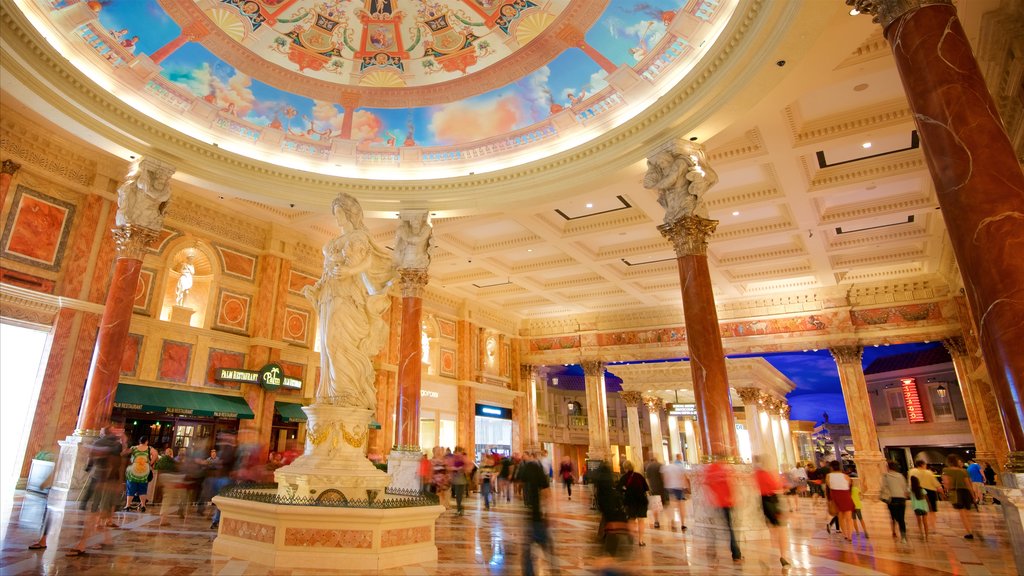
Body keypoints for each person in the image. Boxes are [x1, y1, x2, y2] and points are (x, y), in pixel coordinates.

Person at [302, 192, 394, 410]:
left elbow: (367, 263)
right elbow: (326, 272)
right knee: (326, 344)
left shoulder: (358, 238)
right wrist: (316, 290)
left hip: (346, 295)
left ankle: (348, 392)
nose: (338, 217)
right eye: (335, 213)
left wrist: (349, 270)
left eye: (341, 212)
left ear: (351, 214)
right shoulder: (334, 241)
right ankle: (332, 392)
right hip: (329, 293)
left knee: (336, 342)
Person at [67, 427, 123, 556]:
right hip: (104, 481)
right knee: (99, 513)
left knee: (95, 513)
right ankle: (104, 540)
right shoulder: (114, 446)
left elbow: (105, 461)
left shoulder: (107, 446)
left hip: (104, 482)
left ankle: (83, 544)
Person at [519, 450, 557, 576]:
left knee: (528, 550)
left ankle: (530, 573)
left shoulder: (527, 468)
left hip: (532, 516)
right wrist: (549, 512)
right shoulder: (535, 468)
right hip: (536, 516)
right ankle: (554, 570)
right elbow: (546, 491)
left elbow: (518, 484)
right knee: (546, 547)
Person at [754, 457, 791, 567]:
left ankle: (764, 557)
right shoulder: (768, 474)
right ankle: (783, 556)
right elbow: (777, 487)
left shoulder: (757, 474)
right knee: (782, 530)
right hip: (773, 501)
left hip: (763, 502)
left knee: (772, 530)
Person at [704, 460, 741, 562]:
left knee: (713, 527)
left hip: (715, 502)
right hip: (725, 502)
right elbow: (730, 485)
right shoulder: (723, 470)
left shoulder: (711, 470)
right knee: (730, 528)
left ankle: (712, 550)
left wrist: (710, 498)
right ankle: (736, 554)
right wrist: (733, 498)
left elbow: (707, 484)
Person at [943, 454, 977, 539]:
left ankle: (969, 532)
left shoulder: (946, 470)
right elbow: (969, 484)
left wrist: (948, 490)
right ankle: (971, 529)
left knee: (962, 514)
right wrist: (973, 495)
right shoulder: (964, 471)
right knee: (968, 513)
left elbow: (947, 484)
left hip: (956, 492)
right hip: (966, 493)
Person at [617, 460, 650, 547]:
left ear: (625, 468)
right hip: (641, 501)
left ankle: (631, 538)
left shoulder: (623, 478)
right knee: (641, 520)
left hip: (630, 501)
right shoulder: (639, 476)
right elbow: (646, 488)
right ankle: (641, 540)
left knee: (631, 519)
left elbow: (619, 490)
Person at [123, 436, 157, 513]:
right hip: (144, 470)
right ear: (147, 441)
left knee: (130, 487)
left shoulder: (134, 448)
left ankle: (128, 505)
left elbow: (124, 453)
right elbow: (155, 454)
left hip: (133, 469)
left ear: (139, 441)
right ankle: (143, 505)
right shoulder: (149, 448)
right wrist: (150, 463)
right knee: (143, 488)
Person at [880, 460, 910, 544]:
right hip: (901, 499)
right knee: (901, 518)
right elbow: (905, 488)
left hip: (892, 499)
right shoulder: (900, 476)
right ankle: (903, 536)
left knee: (894, 517)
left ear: (888, 467)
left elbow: (883, 488)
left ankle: (895, 531)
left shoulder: (885, 476)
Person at [824, 460, 854, 541]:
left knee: (841, 516)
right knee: (849, 517)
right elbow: (849, 486)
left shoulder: (828, 476)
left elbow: (829, 487)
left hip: (836, 496)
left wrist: (829, 500)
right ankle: (850, 535)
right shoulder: (846, 476)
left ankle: (845, 534)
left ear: (831, 467)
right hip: (846, 496)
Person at [908, 459, 942, 530]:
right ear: (922, 465)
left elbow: (910, 482)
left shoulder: (912, 471)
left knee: (919, 509)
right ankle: (932, 526)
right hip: (930, 492)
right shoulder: (928, 472)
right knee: (932, 510)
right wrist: (940, 489)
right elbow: (935, 483)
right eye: (925, 464)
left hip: (917, 492)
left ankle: (921, 527)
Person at [661, 453, 688, 532]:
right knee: (681, 506)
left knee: (672, 505)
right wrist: (686, 487)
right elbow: (684, 476)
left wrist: (666, 485)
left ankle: (672, 521)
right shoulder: (680, 466)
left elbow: (664, 478)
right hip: (678, 487)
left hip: (670, 487)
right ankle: (682, 524)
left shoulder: (667, 467)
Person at [644, 457, 668, 529]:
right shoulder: (660, 465)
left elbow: (647, 478)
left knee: (655, 505)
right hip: (660, 487)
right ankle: (666, 519)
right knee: (663, 504)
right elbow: (663, 476)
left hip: (653, 488)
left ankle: (656, 521)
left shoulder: (648, 467)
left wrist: (649, 487)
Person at [910, 475, 930, 540]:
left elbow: (906, 494)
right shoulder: (922, 489)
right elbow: (927, 498)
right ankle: (927, 536)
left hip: (916, 507)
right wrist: (929, 506)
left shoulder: (911, 490)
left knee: (919, 521)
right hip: (924, 507)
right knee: (925, 522)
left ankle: (921, 534)